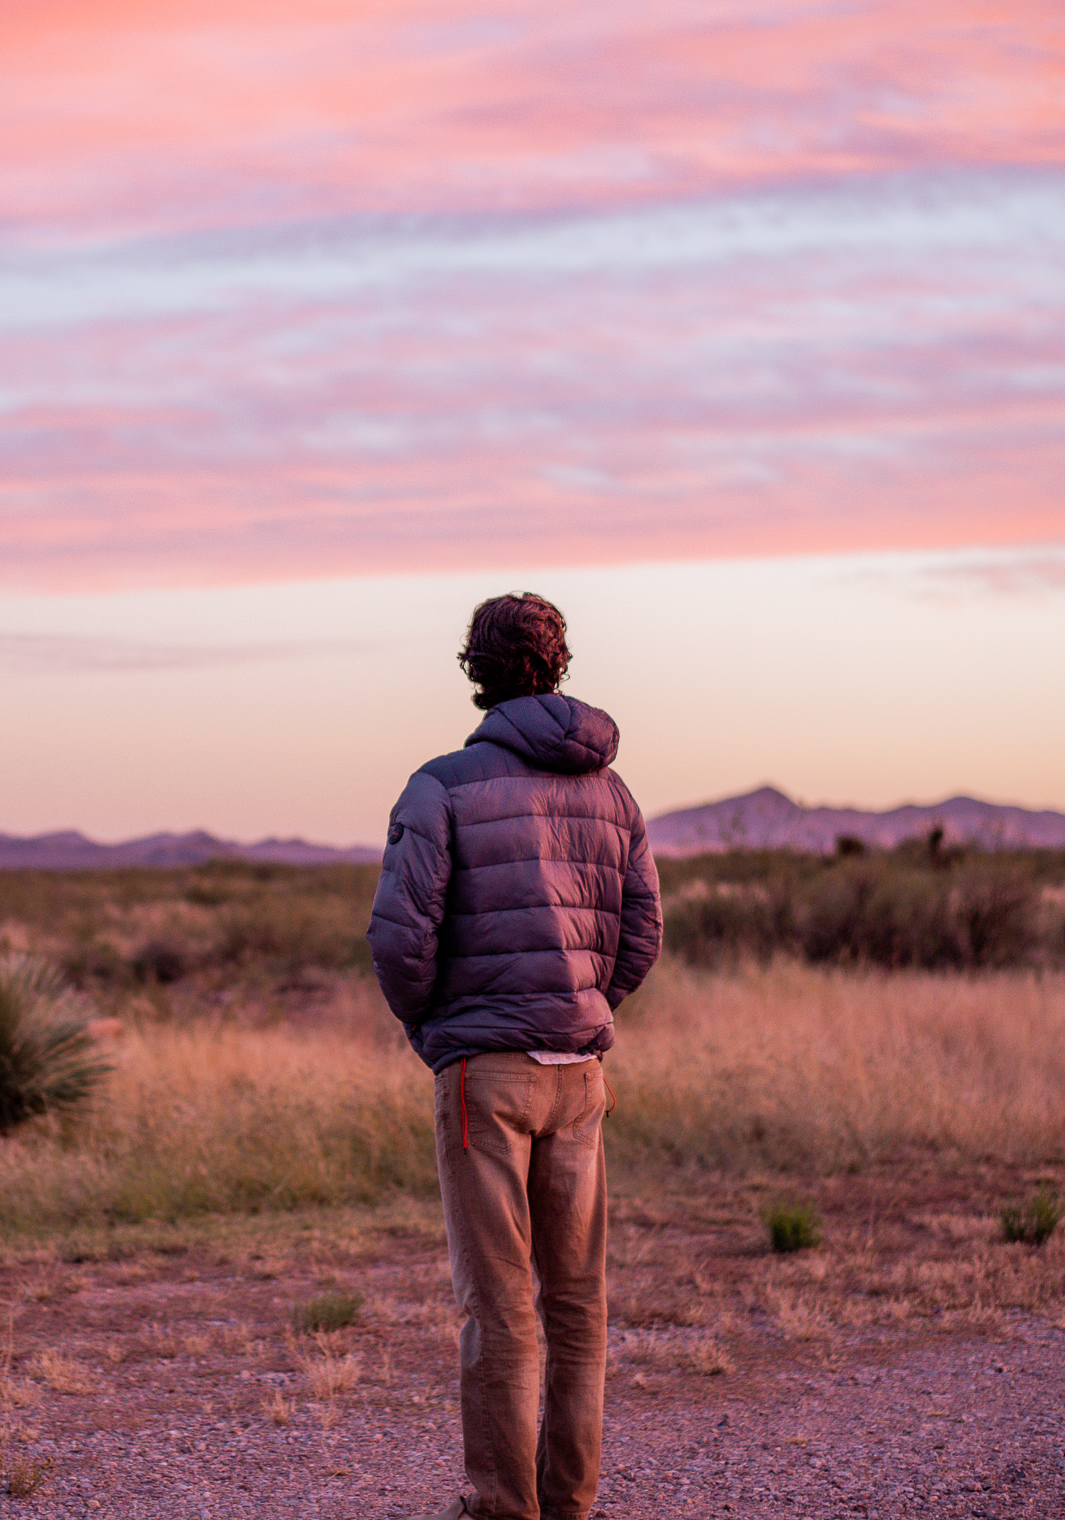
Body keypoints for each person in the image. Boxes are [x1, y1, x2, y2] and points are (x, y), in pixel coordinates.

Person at [368, 592, 663, 1520]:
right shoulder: (612, 791)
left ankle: (505, 1509)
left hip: (481, 1077)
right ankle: (568, 1503)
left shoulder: (442, 785)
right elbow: (641, 935)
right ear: (558, 665)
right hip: (578, 1076)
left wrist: (438, 1036)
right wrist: (579, 1012)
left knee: (500, 1310)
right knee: (577, 1304)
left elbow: (398, 940)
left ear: (476, 670)